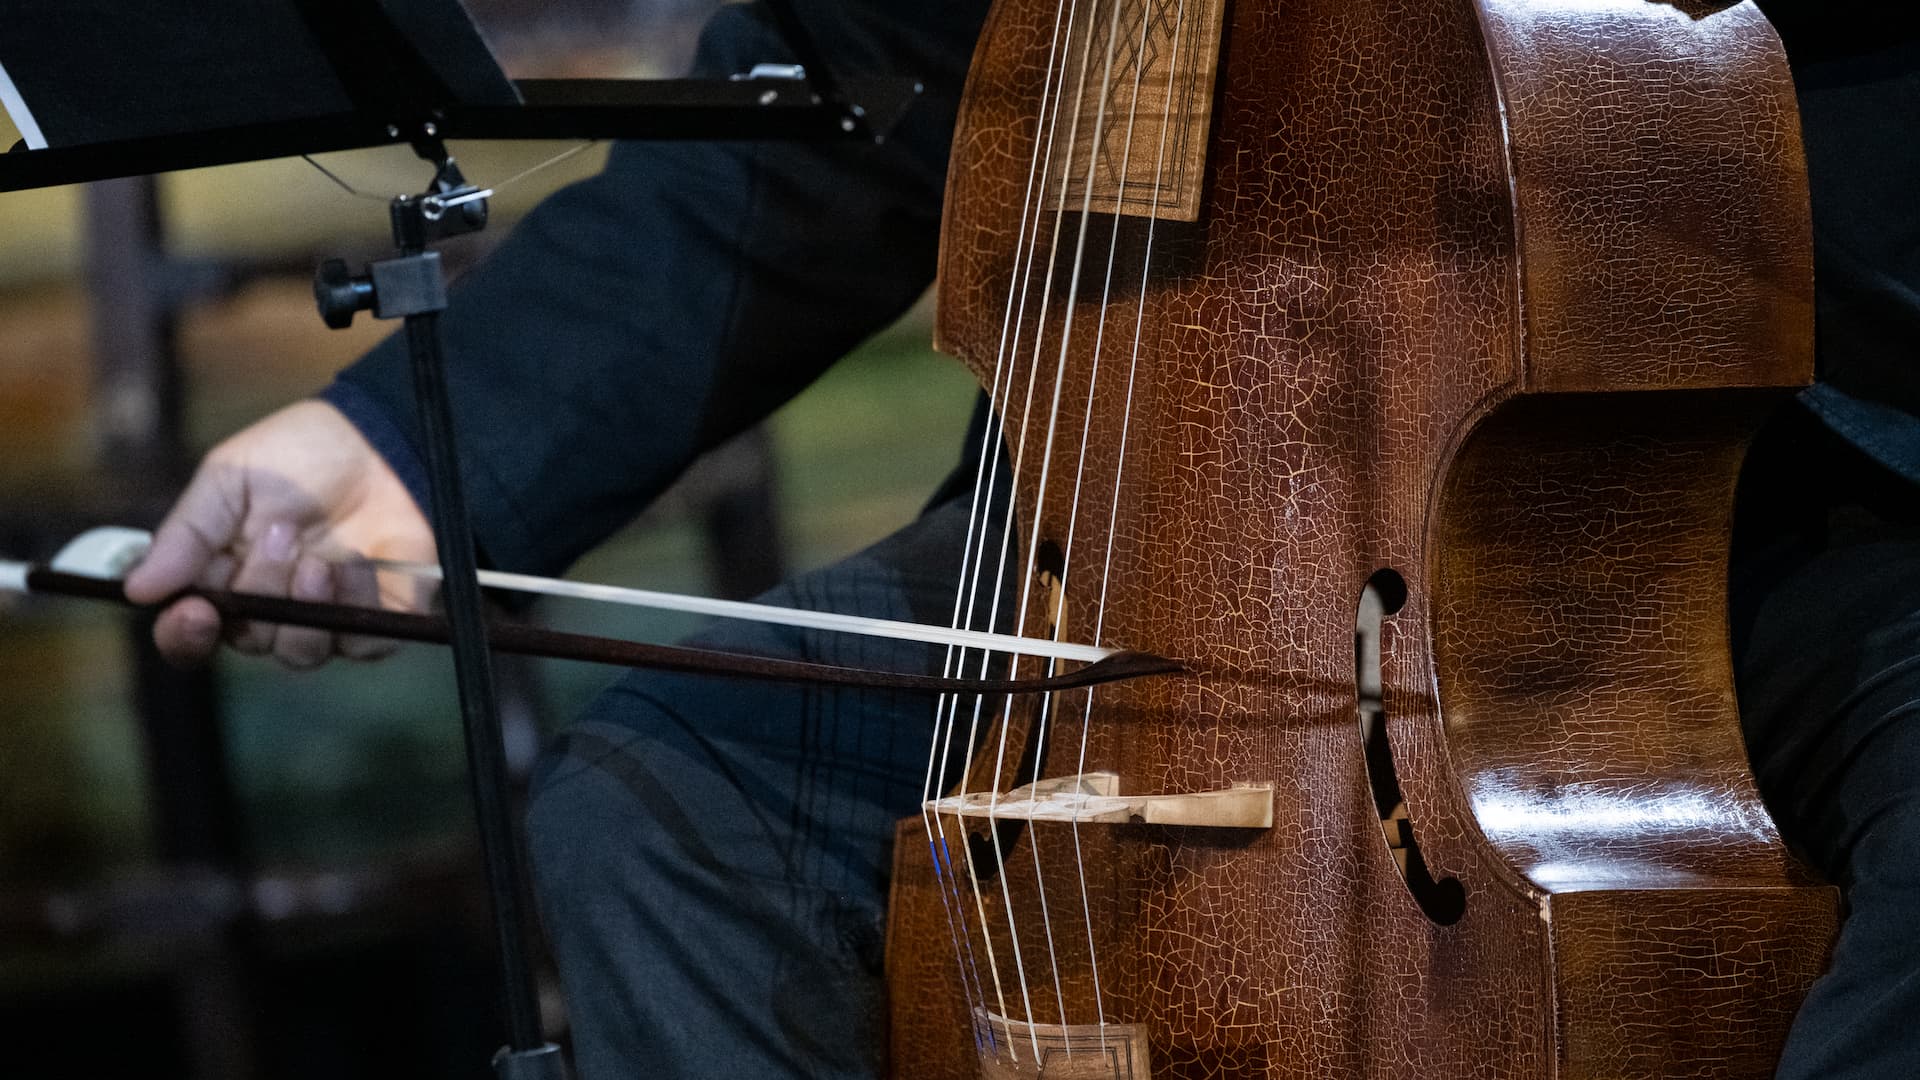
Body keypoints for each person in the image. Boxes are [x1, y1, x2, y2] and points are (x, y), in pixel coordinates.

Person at [121, 1, 1920, 1077]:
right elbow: (857, 75)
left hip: (1783, 428)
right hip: (1185, 414)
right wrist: (419, 456)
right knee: (677, 807)